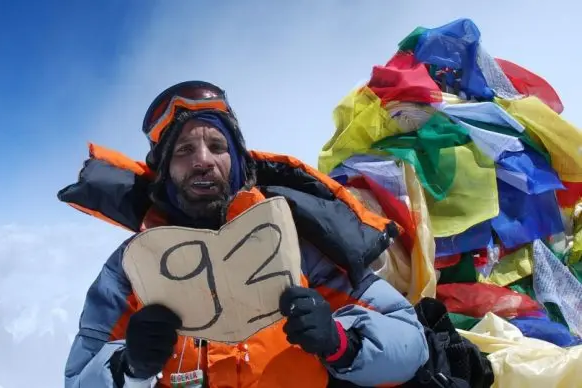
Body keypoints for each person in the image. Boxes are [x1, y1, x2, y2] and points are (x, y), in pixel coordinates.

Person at [60, 80, 429, 388]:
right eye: (184, 150)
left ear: (237, 163)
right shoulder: (132, 269)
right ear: (164, 172)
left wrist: (341, 343)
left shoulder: (299, 242)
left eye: (217, 146)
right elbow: (79, 378)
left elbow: (411, 342)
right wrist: (129, 367)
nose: (202, 159)